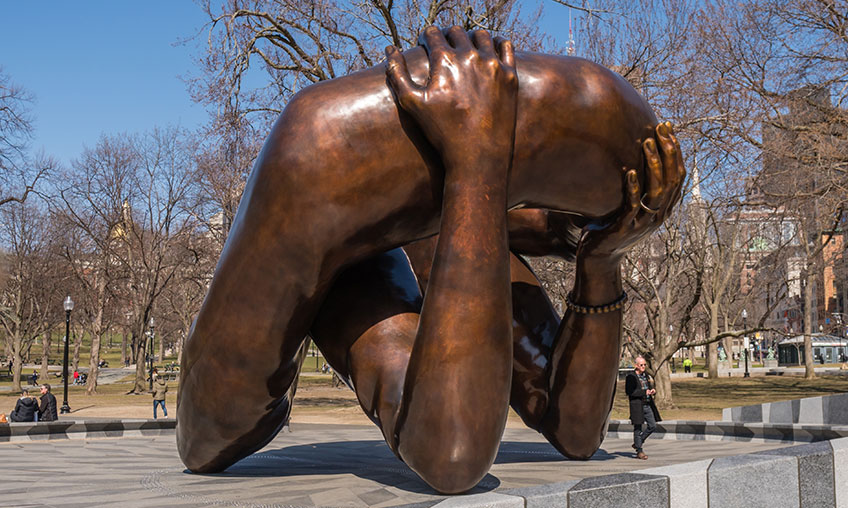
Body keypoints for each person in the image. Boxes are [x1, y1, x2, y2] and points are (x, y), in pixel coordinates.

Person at [176, 26, 684, 494]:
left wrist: (600, 262)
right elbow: (452, 460)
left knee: (460, 223)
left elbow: (576, 433)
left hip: (399, 201)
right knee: (221, 423)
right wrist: (477, 165)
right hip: (306, 201)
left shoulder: (469, 230)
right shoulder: (333, 201)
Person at [626, 356, 662, 460]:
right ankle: (639, 451)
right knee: (638, 428)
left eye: (644, 365)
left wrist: (652, 390)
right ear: (636, 365)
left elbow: (648, 387)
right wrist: (643, 392)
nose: (643, 367)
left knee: (653, 426)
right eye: (641, 365)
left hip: (647, 404)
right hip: (637, 405)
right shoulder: (631, 377)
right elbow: (630, 392)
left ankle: (638, 442)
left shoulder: (645, 375)